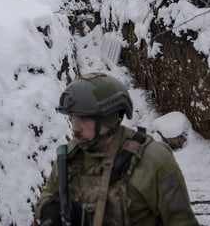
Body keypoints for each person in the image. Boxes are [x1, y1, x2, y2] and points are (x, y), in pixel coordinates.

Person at [35, 72, 198, 226]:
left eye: (85, 118)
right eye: (73, 117)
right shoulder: (70, 157)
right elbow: (47, 196)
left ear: (109, 118)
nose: (75, 127)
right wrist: (49, 211)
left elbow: (182, 221)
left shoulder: (154, 160)